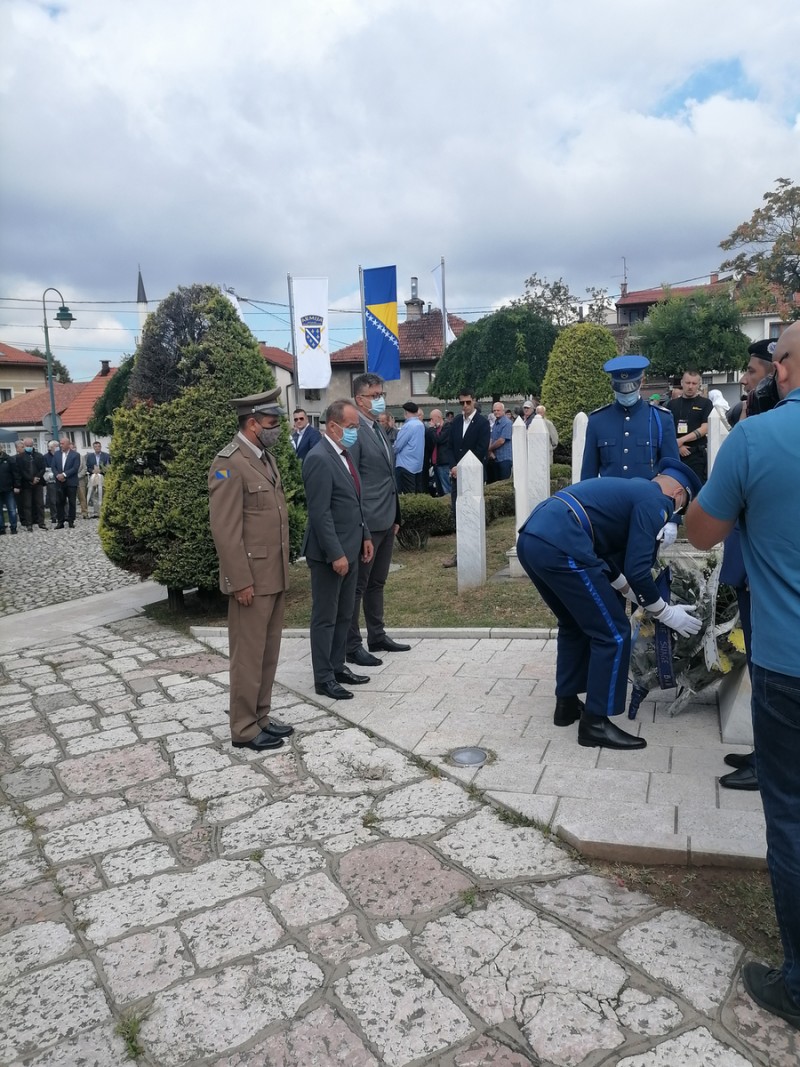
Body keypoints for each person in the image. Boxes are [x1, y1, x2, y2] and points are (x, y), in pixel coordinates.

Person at [685, 321, 800, 1031]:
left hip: (788, 660)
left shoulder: (758, 440)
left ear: (784, 368)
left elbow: (702, 531)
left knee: (789, 815)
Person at [517, 458, 703, 750]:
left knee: (574, 624)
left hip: (534, 537)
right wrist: (665, 613)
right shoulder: (657, 501)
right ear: (679, 494)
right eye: (682, 506)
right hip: (562, 542)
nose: (676, 512)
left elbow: (608, 554)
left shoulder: (635, 490)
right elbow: (639, 568)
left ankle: (566, 705)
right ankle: (596, 723)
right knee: (614, 633)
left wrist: (630, 592)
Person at [208, 387, 294, 752]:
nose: (277, 429)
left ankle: (260, 716)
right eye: (272, 423)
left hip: (272, 573)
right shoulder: (228, 462)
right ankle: (243, 728)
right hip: (251, 579)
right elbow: (225, 529)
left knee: (267, 651)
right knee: (247, 654)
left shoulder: (265, 458)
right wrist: (239, 580)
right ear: (253, 423)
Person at [303, 399, 374, 700]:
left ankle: (338, 665)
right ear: (332, 426)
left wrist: (366, 536)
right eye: (350, 427)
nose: (354, 433)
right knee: (326, 616)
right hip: (330, 555)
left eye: (356, 427)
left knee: (345, 613)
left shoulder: (344, 455)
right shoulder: (318, 458)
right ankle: (323, 677)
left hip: (352, 546)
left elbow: (354, 503)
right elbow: (320, 513)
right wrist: (336, 554)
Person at [346, 373, 408, 667]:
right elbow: (352, 481)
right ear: (359, 399)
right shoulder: (355, 430)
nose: (380, 399)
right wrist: (362, 526)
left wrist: (396, 514)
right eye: (375, 395)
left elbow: (387, 476)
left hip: (386, 517)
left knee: (377, 582)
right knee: (358, 585)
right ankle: (351, 644)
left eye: (381, 393)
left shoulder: (377, 428)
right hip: (368, 522)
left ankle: (377, 634)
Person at [581, 355, 679, 482]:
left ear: (641, 382)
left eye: (630, 387)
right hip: (609, 499)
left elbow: (672, 473)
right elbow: (588, 474)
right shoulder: (597, 421)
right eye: (621, 388)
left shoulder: (661, 419)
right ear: (612, 384)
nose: (626, 393)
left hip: (647, 498)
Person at [443, 388, 491, 568]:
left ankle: (474, 550)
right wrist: (453, 466)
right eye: (462, 402)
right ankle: (460, 552)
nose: (465, 406)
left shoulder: (482, 423)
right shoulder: (455, 422)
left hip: (473, 474)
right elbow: (449, 447)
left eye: (468, 402)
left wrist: (462, 467)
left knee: (473, 512)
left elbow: (480, 449)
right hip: (456, 476)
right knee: (458, 513)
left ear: (474, 401)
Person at [667, 370, 713, 483]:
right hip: (676, 454)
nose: (690, 386)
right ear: (682, 383)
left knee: (697, 488)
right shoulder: (672, 404)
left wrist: (681, 441)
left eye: (694, 383)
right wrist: (677, 447)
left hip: (696, 455)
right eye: (687, 383)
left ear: (699, 385)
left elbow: (705, 428)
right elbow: (667, 429)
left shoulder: (705, 403)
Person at [16, 438, 47, 532]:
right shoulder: (20, 457)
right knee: (27, 505)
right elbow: (21, 471)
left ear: (33, 445)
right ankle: (29, 524)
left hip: (38, 483)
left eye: (30, 445)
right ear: (24, 446)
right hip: (26, 484)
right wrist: (30, 479)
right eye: (27, 446)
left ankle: (41, 522)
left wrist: (37, 478)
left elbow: (43, 468)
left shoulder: (39, 456)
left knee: (40, 504)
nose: (29, 447)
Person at [393, 401, 424, 494]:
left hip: (405, 465)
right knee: (416, 493)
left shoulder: (408, 426)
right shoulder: (420, 425)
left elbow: (398, 446)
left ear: (406, 412)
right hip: (417, 465)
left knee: (407, 494)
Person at [53, 437, 80, 528]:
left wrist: (64, 475)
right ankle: (60, 521)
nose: (61, 445)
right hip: (59, 482)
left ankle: (71, 520)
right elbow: (54, 467)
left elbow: (75, 468)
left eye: (63, 443)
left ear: (68, 444)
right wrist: (58, 475)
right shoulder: (56, 454)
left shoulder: (75, 455)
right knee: (59, 501)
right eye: (60, 443)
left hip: (71, 482)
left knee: (72, 502)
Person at [427, 408, 454, 496]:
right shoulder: (436, 429)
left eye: (432, 418)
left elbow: (439, 439)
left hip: (443, 462)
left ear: (438, 417)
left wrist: (431, 429)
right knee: (439, 489)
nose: (431, 421)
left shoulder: (447, 427)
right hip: (436, 463)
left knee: (446, 488)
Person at [486, 402, 513, 482]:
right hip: (495, 458)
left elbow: (501, 441)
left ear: (503, 411)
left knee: (503, 483)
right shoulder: (495, 424)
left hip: (504, 459)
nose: (496, 412)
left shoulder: (507, 423)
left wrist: (489, 449)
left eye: (498, 410)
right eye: (494, 410)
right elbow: (492, 438)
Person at [0, 448, 19, 534]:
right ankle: (1, 528)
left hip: (8, 488)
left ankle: (13, 527)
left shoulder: (9, 459)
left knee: (11, 509)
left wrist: (16, 486)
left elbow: (15, 473)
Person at [43, 440, 59, 523]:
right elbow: (45, 469)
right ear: (51, 448)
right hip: (51, 480)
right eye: (55, 446)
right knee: (52, 500)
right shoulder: (45, 457)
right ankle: (54, 516)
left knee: (62, 499)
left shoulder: (60, 455)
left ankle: (65, 515)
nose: (57, 447)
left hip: (60, 479)